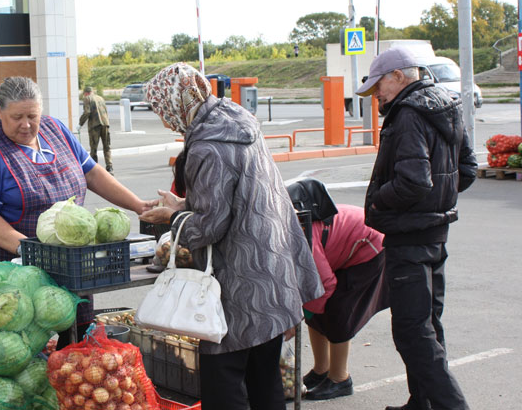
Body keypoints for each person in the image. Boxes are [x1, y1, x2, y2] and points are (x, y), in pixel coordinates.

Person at [139, 63, 323, 410]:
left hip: (238, 286)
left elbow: (211, 226)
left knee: (224, 387)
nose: (165, 121)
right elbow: (235, 198)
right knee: (264, 381)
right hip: (272, 270)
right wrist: (186, 203)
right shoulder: (236, 119)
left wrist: (173, 217)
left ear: (177, 104)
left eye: (162, 111)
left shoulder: (207, 146)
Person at [0, 77, 156, 345]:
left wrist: (138, 205)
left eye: (32, 116)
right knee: (23, 343)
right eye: (17, 117)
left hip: (70, 265)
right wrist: (30, 250)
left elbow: (93, 174)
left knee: (74, 342)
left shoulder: (55, 130)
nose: (26, 125)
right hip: (13, 270)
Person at [355, 46, 477, 410]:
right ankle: (420, 402)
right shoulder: (446, 103)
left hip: (408, 236)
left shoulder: (407, 114)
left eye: (380, 85)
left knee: (411, 331)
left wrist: (378, 200)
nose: (377, 93)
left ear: (400, 76)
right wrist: (436, 203)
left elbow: (412, 182)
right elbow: (467, 170)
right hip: (436, 232)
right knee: (428, 325)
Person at [285, 178, 388, 401]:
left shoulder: (301, 235)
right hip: (340, 253)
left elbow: (324, 284)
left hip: (369, 247)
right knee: (316, 313)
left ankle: (340, 379)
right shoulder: (288, 231)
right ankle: (321, 370)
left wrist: (299, 317)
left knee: (339, 310)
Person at [78, 86, 113, 174]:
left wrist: (80, 123)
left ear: (86, 93)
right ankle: (109, 167)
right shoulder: (100, 98)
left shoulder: (87, 99)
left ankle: (94, 168)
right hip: (105, 124)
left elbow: (87, 112)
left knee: (94, 147)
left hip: (95, 125)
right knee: (107, 146)